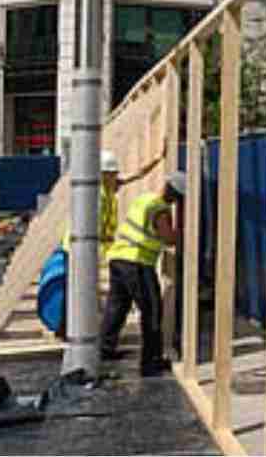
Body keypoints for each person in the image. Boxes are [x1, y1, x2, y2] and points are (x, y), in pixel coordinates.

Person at [54, 149, 163, 339]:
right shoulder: (95, 195)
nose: (116, 176)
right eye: (112, 174)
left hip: (90, 249)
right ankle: (68, 332)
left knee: (83, 290)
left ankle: (75, 331)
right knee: (76, 291)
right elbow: (88, 228)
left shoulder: (110, 187)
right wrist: (109, 240)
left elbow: (136, 174)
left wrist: (157, 158)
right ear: (103, 175)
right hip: (77, 248)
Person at [100, 171, 185, 377]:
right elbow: (168, 239)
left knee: (117, 307)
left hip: (119, 258)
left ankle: (105, 349)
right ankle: (151, 362)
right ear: (176, 196)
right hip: (137, 263)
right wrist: (183, 231)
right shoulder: (160, 209)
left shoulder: (145, 199)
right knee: (152, 310)